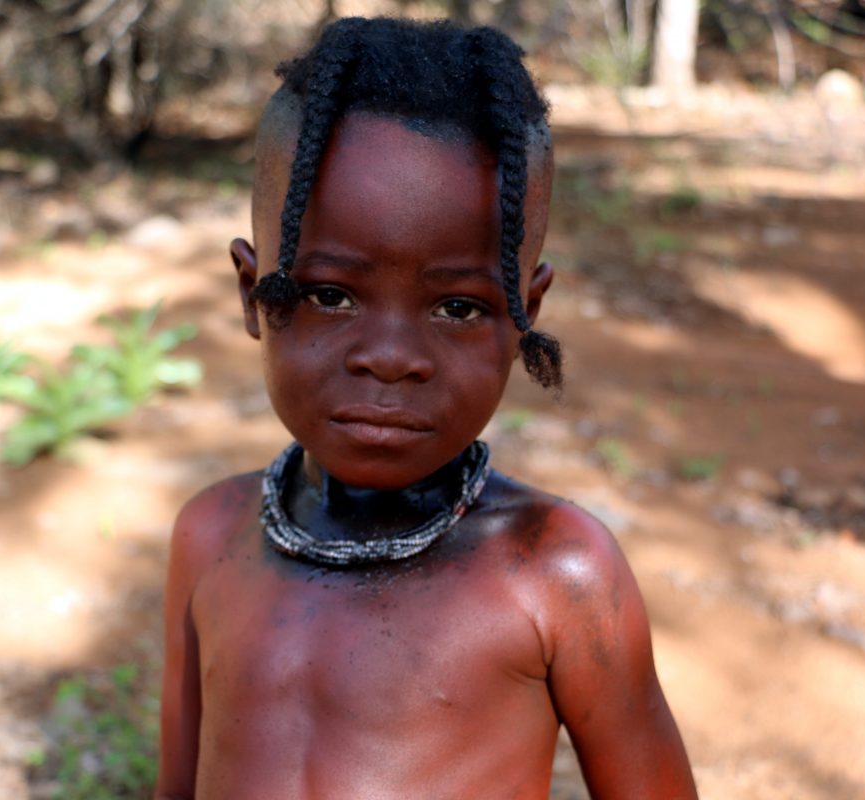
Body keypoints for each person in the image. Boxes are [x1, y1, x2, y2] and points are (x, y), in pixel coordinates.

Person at [155, 16, 696, 800]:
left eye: (458, 308)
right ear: (253, 294)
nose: (392, 357)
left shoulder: (557, 573)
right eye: (329, 295)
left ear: (525, 314)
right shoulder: (208, 537)